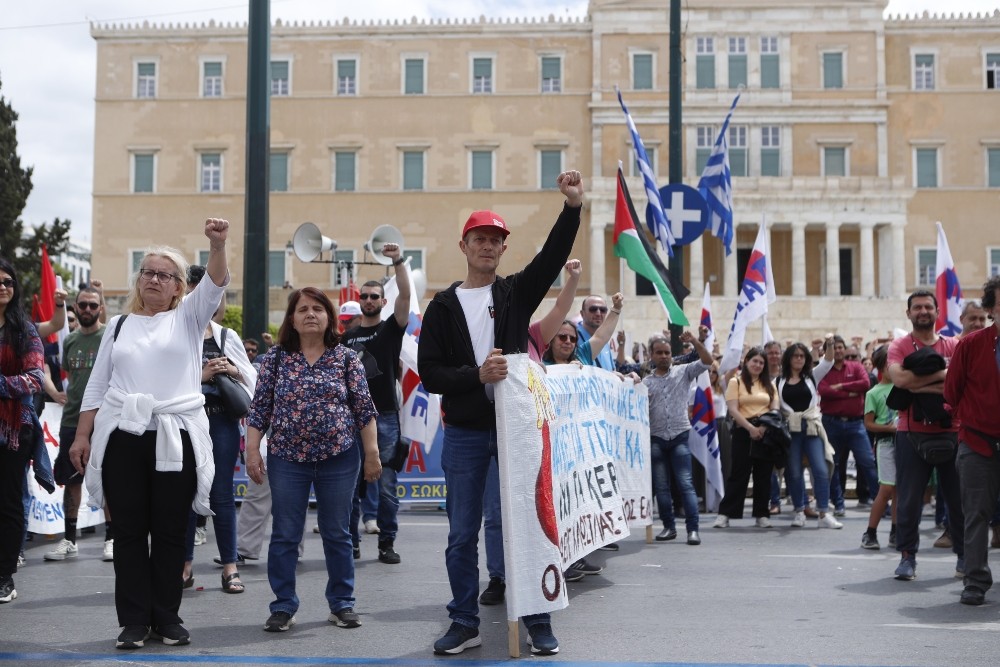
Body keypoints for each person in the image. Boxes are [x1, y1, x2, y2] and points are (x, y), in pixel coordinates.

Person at [418, 170, 583, 656]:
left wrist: (572, 207)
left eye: (495, 240)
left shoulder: (514, 293)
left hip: (516, 432)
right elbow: (430, 374)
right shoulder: (443, 307)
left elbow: (552, 257)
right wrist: (476, 376)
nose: (487, 246)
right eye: (479, 239)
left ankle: (537, 619)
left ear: (503, 250)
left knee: (527, 525)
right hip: (467, 433)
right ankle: (464, 621)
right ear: (464, 245)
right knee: (462, 533)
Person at [69, 219, 230, 649]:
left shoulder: (190, 318)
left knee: (171, 531)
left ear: (179, 287)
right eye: (148, 273)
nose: (155, 280)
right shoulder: (119, 326)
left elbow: (214, 282)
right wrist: (82, 436)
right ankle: (134, 621)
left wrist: (217, 244)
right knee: (128, 531)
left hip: (174, 435)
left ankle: (168, 618)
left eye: (165, 275)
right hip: (124, 435)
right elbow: (97, 386)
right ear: (139, 280)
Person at [244, 287, 380, 634]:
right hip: (287, 458)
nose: (310, 314)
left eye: (318, 308)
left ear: (329, 318)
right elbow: (259, 410)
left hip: (339, 458)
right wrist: (252, 451)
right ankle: (283, 606)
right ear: (292, 318)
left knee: (337, 532)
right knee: (286, 534)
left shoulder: (347, 359)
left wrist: (372, 454)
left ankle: (342, 604)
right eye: (302, 309)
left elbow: (364, 410)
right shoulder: (274, 359)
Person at [479, 258, 583, 606]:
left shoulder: (535, 336)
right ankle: (498, 576)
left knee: (536, 505)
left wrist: (572, 279)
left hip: (534, 437)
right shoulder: (483, 337)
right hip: (493, 433)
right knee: (495, 511)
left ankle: (536, 571)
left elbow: (561, 309)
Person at [180, 265, 257, 594]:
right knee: (184, 495)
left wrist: (233, 369)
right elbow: (159, 383)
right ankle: (184, 566)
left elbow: (254, 383)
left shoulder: (228, 336)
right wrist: (202, 375)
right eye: (195, 292)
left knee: (222, 495)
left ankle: (230, 566)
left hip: (223, 423)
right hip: (185, 422)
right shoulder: (174, 333)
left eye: (212, 294)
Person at [886, 290, 964, 582]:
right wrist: (942, 374)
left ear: (936, 312)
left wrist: (917, 386)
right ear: (908, 314)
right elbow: (900, 380)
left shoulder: (954, 345)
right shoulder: (899, 346)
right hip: (910, 432)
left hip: (952, 431)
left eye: (928, 306)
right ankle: (907, 558)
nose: (922, 311)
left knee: (958, 500)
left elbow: (959, 385)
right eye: (917, 307)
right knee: (907, 499)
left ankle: (964, 556)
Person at [342, 241, 410, 566]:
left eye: (374, 296)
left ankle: (387, 543)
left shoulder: (391, 330)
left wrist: (398, 261)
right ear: (359, 301)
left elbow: (407, 298)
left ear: (383, 301)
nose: (369, 300)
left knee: (386, 486)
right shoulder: (346, 338)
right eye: (364, 296)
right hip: (350, 419)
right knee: (350, 486)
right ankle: (351, 543)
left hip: (384, 417)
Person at [47, 286, 115, 563]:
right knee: (71, 482)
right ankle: (69, 539)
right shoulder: (71, 341)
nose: (87, 310)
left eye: (92, 305)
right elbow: (69, 377)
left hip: (105, 420)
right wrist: (56, 394)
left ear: (101, 308)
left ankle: (111, 538)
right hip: (72, 419)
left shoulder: (109, 337)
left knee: (110, 479)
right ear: (74, 308)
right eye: (82, 305)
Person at [944, 276, 1000, 605]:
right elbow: (952, 393)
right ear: (992, 308)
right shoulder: (970, 345)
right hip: (978, 443)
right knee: (976, 514)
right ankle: (975, 580)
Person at [0, 258, 45, 604]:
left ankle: (4, 576)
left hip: (13, 430)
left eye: (8, 282)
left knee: (9, 502)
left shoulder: (24, 330)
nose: (3, 287)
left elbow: (34, 378)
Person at [644, 331, 713, 545]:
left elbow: (707, 361)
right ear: (651, 355)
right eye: (659, 353)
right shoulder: (645, 383)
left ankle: (693, 529)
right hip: (656, 438)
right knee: (662, 487)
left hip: (679, 436)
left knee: (685, 484)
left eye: (667, 352)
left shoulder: (684, 371)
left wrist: (694, 341)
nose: (664, 356)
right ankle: (668, 527)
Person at [775, 341, 842, 529]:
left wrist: (829, 344)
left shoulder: (812, 376)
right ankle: (799, 511)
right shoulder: (778, 381)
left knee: (820, 469)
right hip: (791, 430)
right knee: (794, 472)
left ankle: (823, 512)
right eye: (795, 356)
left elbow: (828, 362)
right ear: (788, 359)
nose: (798, 359)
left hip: (811, 427)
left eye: (802, 356)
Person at [713, 347, 780, 529]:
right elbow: (733, 409)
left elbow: (774, 408)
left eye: (761, 362)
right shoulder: (736, 382)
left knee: (763, 474)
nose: (757, 365)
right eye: (754, 361)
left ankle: (762, 514)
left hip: (766, 431)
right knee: (738, 473)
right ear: (746, 362)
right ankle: (725, 513)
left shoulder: (769, 384)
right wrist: (750, 428)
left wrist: (763, 427)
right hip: (743, 430)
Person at [818, 335, 876, 516]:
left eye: (840, 347)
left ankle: (880, 501)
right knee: (833, 464)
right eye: (834, 348)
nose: (838, 351)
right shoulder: (823, 370)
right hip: (831, 423)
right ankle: (838, 502)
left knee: (868, 462)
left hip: (855, 424)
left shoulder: (856, 366)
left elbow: (865, 384)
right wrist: (850, 393)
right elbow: (824, 391)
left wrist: (840, 386)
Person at [861, 345, 897, 550]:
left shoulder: (903, 388)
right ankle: (870, 532)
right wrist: (889, 428)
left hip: (904, 443)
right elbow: (869, 423)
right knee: (886, 488)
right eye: (889, 363)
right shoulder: (874, 392)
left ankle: (895, 531)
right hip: (885, 443)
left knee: (899, 490)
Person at [576, 295, 615, 371]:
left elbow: (612, 372)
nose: (598, 313)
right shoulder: (571, 338)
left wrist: (626, 377)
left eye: (603, 310)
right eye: (593, 309)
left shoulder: (605, 341)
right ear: (582, 313)